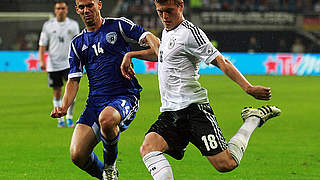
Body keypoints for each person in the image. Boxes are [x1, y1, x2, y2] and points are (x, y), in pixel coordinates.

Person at [121, 0, 281, 179]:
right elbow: (162, 54)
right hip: (170, 112)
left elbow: (221, 61)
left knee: (226, 164)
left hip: (193, 110)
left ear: (180, 6)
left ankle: (252, 119)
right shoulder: (167, 31)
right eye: (160, 12)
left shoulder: (190, 33)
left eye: (169, 11)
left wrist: (248, 87)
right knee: (148, 148)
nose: (164, 17)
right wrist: (131, 55)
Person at [50, 0, 159, 179]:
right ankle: (107, 177)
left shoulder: (118, 26)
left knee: (107, 120)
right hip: (95, 102)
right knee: (77, 155)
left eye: (90, 5)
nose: (86, 10)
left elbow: (150, 41)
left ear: (99, 4)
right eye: (82, 7)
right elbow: (73, 80)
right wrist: (64, 107)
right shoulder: (78, 43)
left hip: (124, 96)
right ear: (77, 9)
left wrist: (132, 54)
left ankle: (110, 167)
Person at [39, 0, 80, 128]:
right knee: (57, 92)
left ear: (67, 10)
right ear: (55, 10)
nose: (61, 11)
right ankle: (59, 119)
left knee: (71, 94)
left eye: (63, 8)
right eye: (58, 8)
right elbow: (42, 44)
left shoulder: (73, 25)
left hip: (70, 63)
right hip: (53, 64)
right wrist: (41, 60)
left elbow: (77, 43)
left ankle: (69, 117)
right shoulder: (48, 25)